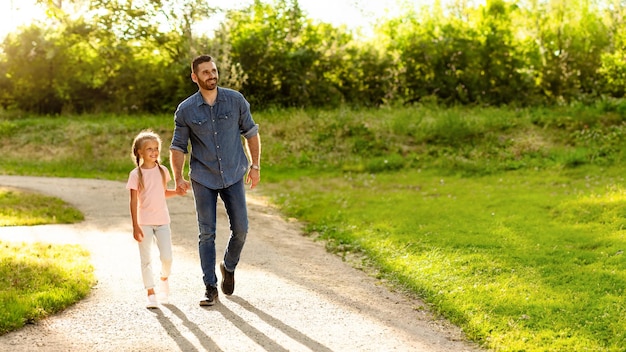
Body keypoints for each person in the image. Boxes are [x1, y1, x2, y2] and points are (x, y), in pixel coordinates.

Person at [170, 55, 261, 306]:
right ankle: (210, 286)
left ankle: (228, 266)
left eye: (213, 70)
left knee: (241, 228)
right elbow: (178, 146)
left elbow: (251, 133)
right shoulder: (186, 110)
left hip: (233, 174)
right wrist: (177, 177)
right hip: (203, 177)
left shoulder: (235, 100)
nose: (211, 76)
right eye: (205, 72)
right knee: (206, 233)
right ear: (195, 77)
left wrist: (255, 165)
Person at [126, 130, 183, 309]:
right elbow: (133, 201)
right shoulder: (135, 175)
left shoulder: (162, 171)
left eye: (156, 148)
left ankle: (164, 279)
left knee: (167, 257)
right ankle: (151, 293)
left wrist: (178, 191)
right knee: (146, 259)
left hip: (163, 221)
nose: (154, 152)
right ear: (139, 152)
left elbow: (163, 193)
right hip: (144, 222)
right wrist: (135, 226)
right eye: (149, 149)